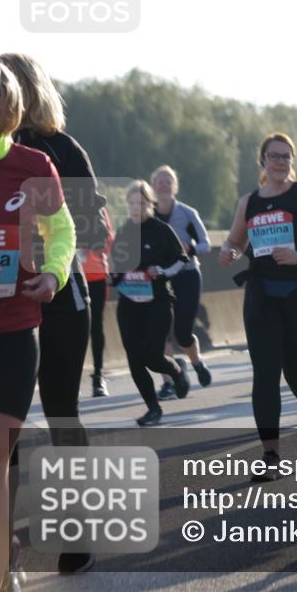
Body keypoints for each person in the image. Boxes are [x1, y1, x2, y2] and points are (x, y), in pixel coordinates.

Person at [0, 51, 108, 575]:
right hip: (2, 308)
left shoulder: (58, 150)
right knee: (5, 426)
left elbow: (93, 230)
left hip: (58, 299)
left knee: (61, 411)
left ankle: (77, 531)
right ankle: (4, 543)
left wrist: (41, 259)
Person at [0, 59, 76, 592]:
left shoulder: (33, 164)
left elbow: (62, 230)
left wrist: (52, 273)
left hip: (13, 334)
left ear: (7, 106)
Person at [219, 133, 297, 478]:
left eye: (286, 157)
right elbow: (235, 241)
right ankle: (270, 456)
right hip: (261, 292)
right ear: (263, 161)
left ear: (292, 162)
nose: (280, 162)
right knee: (265, 374)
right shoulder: (248, 202)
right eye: (274, 156)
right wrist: (230, 252)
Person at [110, 181, 192, 426]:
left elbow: (181, 260)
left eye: (142, 202)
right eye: (132, 203)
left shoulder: (161, 230)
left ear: (150, 203)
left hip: (157, 303)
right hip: (129, 304)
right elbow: (116, 266)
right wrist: (113, 276)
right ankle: (153, 408)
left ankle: (176, 371)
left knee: (153, 357)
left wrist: (163, 271)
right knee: (135, 359)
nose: (137, 207)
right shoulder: (124, 230)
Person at [150, 165, 213, 399]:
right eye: (159, 181)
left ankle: (196, 363)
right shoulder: (148, 215)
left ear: (175, 187)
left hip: (187, 275)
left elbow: (207, 244)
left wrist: (192, 248)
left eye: (168, 181)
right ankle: (169, 380)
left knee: (183, 332)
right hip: (160, 278)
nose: (164, 185)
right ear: (153, 187)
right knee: (161, 331)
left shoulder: (187, 213)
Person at [80, 207, 115, 396]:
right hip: (68, 276)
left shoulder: (98, 207)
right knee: (70, 328)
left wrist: (92, 244)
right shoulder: (59, 201)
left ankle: (98, 376)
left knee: (96, 327)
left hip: (96, 275)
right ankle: (69, 376)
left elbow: (109, 240)